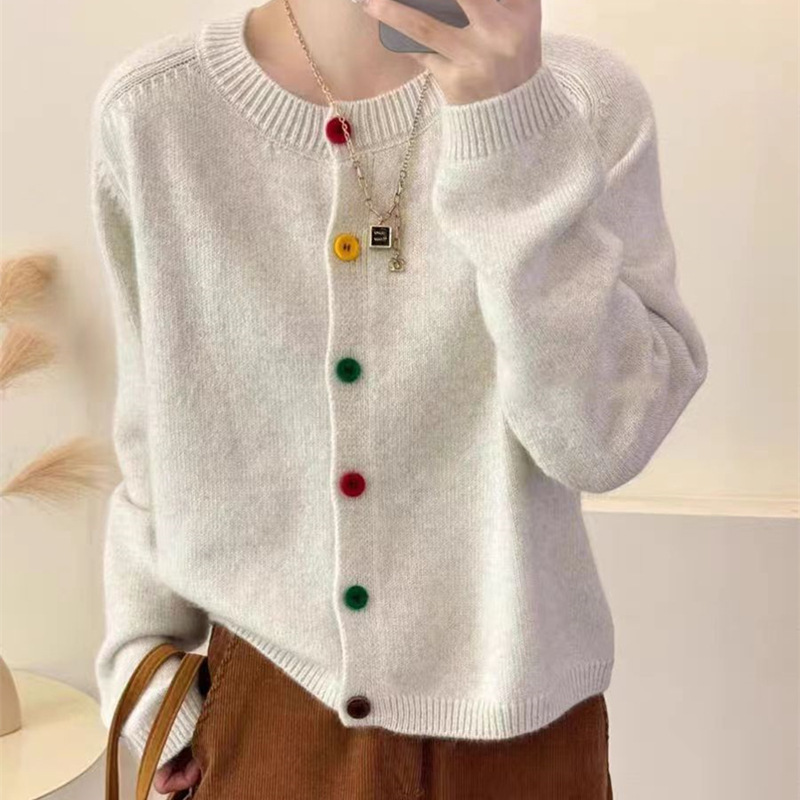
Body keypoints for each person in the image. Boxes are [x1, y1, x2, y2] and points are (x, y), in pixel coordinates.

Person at [89, 0, 708, 797]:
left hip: (526, 733)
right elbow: (155, 435)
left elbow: (602, 440)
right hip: (266, 719)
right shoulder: (156, 115)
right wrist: (142, 668)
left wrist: (511, 135)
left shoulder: (584, 102)